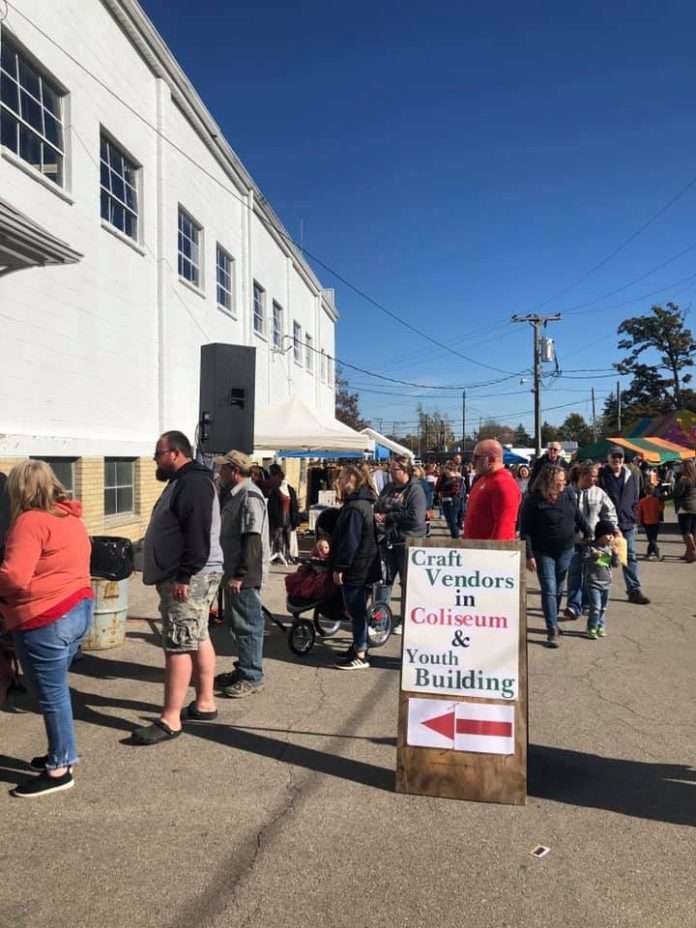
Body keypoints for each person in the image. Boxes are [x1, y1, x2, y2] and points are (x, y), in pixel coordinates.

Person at [0, 460, 92, 797]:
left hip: (46, 618)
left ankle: (60, 767)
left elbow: (14, 578)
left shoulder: (29, 522)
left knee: (52, 695)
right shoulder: (70, 518)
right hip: (77, 610)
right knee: (53, 690)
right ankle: (60, 753)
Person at [135, 431, 223, 745]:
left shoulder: (194, 482)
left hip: (190, 576)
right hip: (193, 574)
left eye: (158, 454)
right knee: (197, 635)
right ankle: (205, 702)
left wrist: (184, 576)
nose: (154, 459)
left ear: (174, 453)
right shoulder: (185, 480)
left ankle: (170, 719)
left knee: (179, 642)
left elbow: (197, 534)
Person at [216, 450, 271, 697]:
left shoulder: (249, 497)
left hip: (245, 575)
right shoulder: (235, 495)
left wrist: (241, 574)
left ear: (234, 471)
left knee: (248, 625)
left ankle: (252, 675)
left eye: (223, 469)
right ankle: (244, 668)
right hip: (234, 572)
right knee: (238, 624)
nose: (219, 473)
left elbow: (252, 540)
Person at [520, 465, 591, 648]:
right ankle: (552, 629)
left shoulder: (567, 494)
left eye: (564, 481)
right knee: (549, 589)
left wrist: (588, 531)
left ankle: (553, 621)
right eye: (559, 482)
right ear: (548, 481)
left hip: (566, 549)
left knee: (559, 588)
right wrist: (529, 555)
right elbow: (525, 530)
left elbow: (577, 514)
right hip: (543, 552)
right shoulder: (533, 499)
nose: (562, 484)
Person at [331, 465, 381, 669]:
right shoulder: (362, 503)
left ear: (351, 479)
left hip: (357, 566)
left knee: (356, 609)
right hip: (364, 564)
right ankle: (358, 646)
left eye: (342, 477)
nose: (339, 481)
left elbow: (350, 541)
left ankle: (360, 652)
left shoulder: (355, 507)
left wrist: (340, 567)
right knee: (357, 609)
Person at [374, 456, 427, 631]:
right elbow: (379, 505)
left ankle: (407, 621)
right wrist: (379, 514)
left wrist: (390, 516)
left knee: (407, 585)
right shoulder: (388, 488)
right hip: (388, 542)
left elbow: (416, 517)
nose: (390, 473)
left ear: (405, 470)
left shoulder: (415, 490)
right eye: (389, 469)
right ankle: (379, 620)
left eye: (394, 470)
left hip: (408, 544)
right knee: (383, 583)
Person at [564, 461, 617, 621]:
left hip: (597, 543)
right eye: (592, 476)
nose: (594, 480)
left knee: (593, 574)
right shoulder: (568, 492)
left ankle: (588, 603)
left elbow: (610, 513)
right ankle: (573, 606)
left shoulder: (599, 493)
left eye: (596, 477)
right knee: (574, 573)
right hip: (575, 542)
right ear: (582, 475)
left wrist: (612, 531)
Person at [598, 446, 650, 605]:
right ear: (608, 458)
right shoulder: (601, 475)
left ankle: (634, 590)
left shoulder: (631, 474)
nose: (617, 460)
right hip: (607, 524)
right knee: (604, 557)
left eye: (619, 457)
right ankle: (599, 590)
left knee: (629, 556)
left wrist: (634, 514)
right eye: (614, 457)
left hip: (627, 523)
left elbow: (637, 495)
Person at [463, 440, 521, 540]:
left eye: (477, 457)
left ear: (491, 459)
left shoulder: (503, 484)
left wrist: (494, 553)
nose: (473, 461)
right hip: (474, 549)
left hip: (488, 552)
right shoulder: (484, 479)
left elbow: (504, 527)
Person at [584, 519, 620, 639]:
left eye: (612, 535)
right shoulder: (592, 548)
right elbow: (585, 559)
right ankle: (591, 627)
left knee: (603, 608)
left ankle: (600, 626)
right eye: (608, 534)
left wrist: (615, 555)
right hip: (593, 582)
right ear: (600, 535)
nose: (610, 537)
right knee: (596, 607)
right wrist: (594, 556)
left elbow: (615, 565)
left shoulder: (610, 548)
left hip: (606, 583)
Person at [267, 469, 300, 565]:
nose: (285, 481)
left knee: (288, 537)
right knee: (278, 537)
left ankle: (288, 555)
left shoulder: (290, 490)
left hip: (288, 516)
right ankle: (277, 555)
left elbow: (294, 505)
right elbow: (271, 506)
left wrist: (296, 518)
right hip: (279, 517)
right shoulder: (276, 491)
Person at [672, 458, 696, 562]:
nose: (680, 467)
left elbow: (677, 494)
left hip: (684, 508)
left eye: (682, 465)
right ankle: (688, 553)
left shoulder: (684, 479)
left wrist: (660, 497)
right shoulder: (694, 478)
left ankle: (693, 551)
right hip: (695, 507)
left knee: (686, 532)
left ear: (685, 467)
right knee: (693, 531)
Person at [436, 462, 464, 539]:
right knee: (452, 520)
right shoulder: (459, 477)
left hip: (449, 499)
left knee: (451, 520)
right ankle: (455, 535)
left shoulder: (446, 477)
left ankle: (455, 537)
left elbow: (437, 487)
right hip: (455, 499)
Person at [638, 483, 664, 561]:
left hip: (646, 522)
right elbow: (660, 509)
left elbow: (639, 512)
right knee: (653, 538)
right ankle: (649, 553)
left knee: (650, 539)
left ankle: (655, 552)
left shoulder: (642, 501)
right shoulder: (656, 500)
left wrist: (639, 521)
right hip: (655, 521)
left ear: (645, 491)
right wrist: (662, 503)